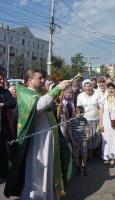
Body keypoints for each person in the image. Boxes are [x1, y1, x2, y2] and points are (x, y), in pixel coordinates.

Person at [4, 68, 72, 200]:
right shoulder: (25, 93)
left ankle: (48, 196)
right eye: (39, 78)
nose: (43, 80)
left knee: (48, 169)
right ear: (30, 80)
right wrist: (57, 88)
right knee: (38, 171)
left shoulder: (39, 92)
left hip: (47, 138)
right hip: (37, 142)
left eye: (43, 78)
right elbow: (38, 106)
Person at [77, 79, 100, 160]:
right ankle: (84, 156)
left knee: (94, 138)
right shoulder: (80, 95)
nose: (88, 88)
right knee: (86, 138)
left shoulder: (96, 94)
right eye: (86, 86)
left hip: (95, 119)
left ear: (92, 86)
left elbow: (100, 107)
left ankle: (91, 155)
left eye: (89, 86)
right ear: (83, 87)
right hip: (84, 121)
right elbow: (78, 109)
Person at [99, 83, 115, 166]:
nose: (111, 90)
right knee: (106, 138)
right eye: (109, 88)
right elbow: (101, 112)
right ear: (107, 89)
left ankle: (113, 157)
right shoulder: (104, 99)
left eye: (112, 88)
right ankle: (106, 156)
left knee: (114, 138)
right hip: (106, 121)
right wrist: (101, 123)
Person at [0, 72, 16, 182]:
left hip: (4, 129)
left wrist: (2, 105)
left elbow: (12, 103)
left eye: (2, 78)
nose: (1, 81)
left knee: (6, 153)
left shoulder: (5, 92)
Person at [68, 106, 89, 176]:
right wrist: (72, 141)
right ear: (76, 113)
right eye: (80, 113)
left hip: (83, 140)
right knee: (76, 155)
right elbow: (70, 131)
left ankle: (84, 167)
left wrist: (87, 136)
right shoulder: (72, 120)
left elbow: (87, 128)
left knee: (84, 154)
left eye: (82, 112)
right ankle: (77, 168)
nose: (81, 114)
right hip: (76, 141)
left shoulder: (85, 120)